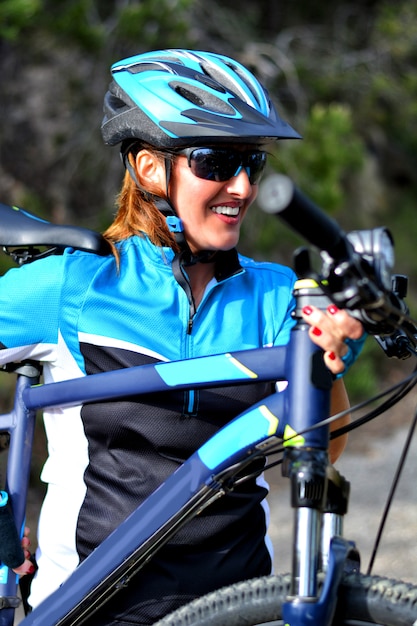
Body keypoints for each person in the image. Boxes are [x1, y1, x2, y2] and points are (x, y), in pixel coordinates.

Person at [1, 49, 365, 625]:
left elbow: (323, 447)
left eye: (252, 163)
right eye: (216, 161)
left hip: (236, 607)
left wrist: (328, 364)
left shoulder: (279, 296)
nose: (242, 187)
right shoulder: (75, 284)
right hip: (92, 607)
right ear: (149, 168)